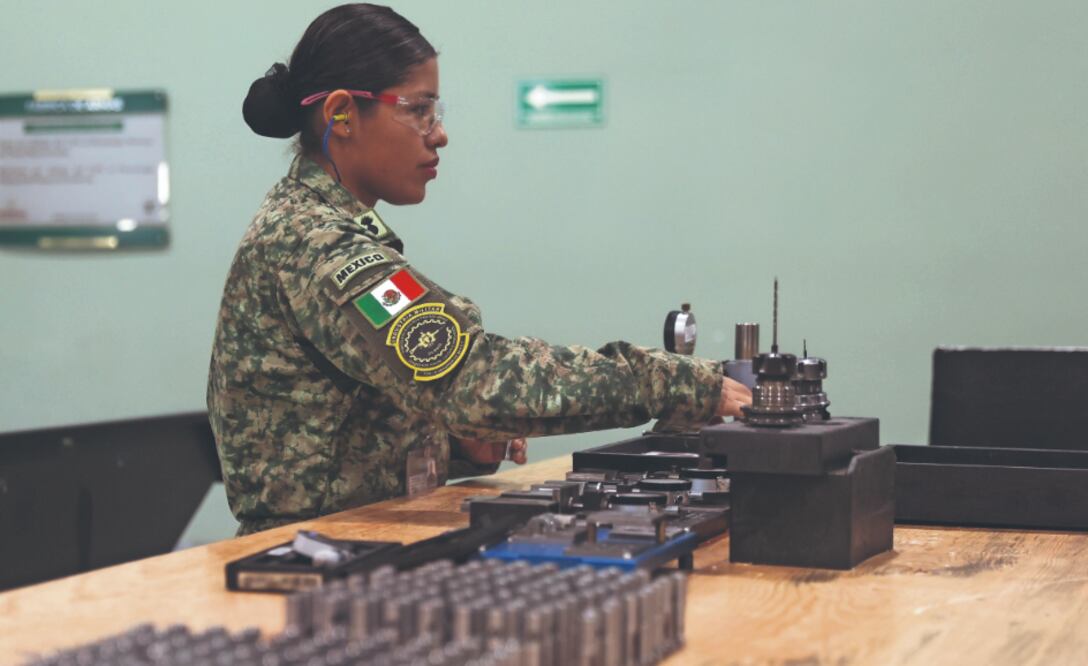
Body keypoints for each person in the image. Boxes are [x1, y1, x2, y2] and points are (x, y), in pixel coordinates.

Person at [208, 3, 753, 536]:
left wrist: (447, 443)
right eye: (419, 110)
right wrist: (674, 382)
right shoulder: (315, 244)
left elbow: (344, 428)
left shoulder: (325, 230)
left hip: (351, 541)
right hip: (306, 565)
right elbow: (475, 379)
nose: (438, 134)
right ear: (342, 114)